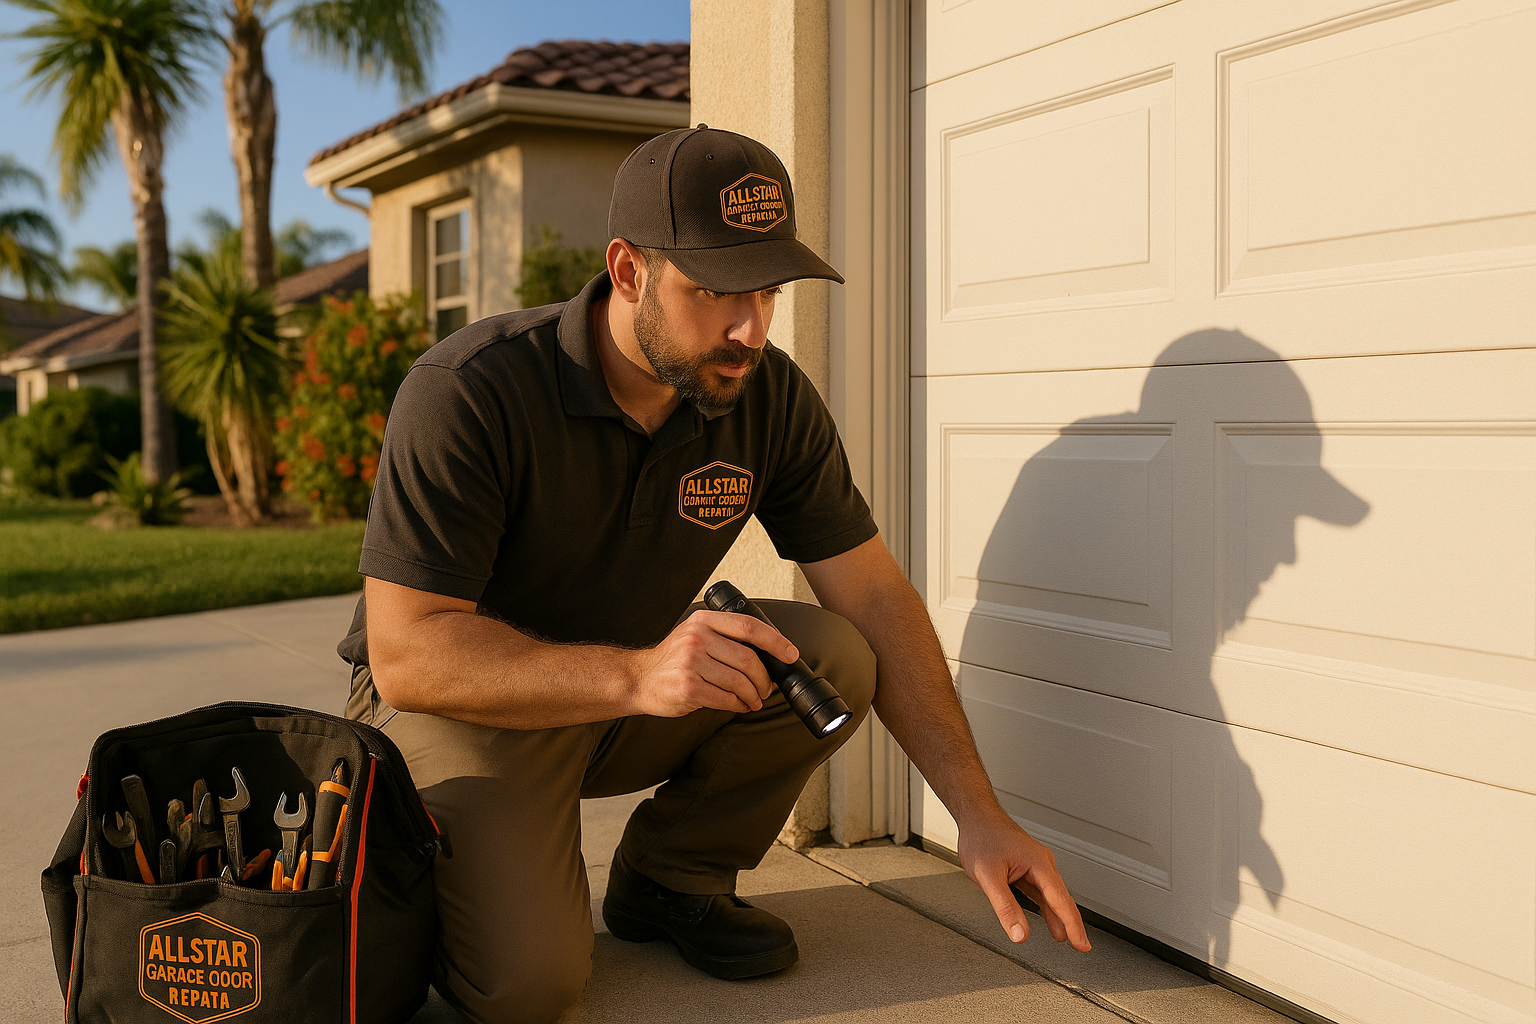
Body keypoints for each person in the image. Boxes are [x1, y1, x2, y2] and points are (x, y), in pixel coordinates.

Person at [339, 125, 1091, 1024]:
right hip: (467, 708)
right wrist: (637, 673)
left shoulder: (765, 395)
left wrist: (977, 812)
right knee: (529, 989)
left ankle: (670, 880)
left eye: (767, 290)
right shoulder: (470, 390)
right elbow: (408, 655)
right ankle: (427, 878)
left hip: (630, 691)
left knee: (838, 656)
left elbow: (875, 596)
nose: (750, 328)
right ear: (628, 271)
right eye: (715, 292)